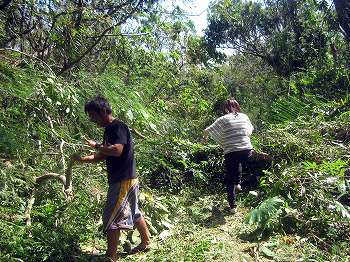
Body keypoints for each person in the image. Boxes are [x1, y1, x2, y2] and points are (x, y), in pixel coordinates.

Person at [71, 96, 150, 261]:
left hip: (122, 179)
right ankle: (145, 242)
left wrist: (97, 145)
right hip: (128, 178)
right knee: (134, 211)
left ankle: (111, 257)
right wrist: (81, 159)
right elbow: (103, 155)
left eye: (93, 115)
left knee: (110, 217)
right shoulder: (109, 130)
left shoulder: (117, 127)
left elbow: (116, 151)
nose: (91, 119)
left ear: (104, 111)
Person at [204, 98, 254, 213]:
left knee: (230, 179)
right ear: (237, 107)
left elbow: (207, 130)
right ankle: (238, 184)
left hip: (231, 152)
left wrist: (205, 138)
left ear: (225, 109)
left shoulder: (223, 119)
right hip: (247, 150)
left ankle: (232, 206)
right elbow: (250, 130)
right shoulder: (244, 116)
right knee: (239, 163)